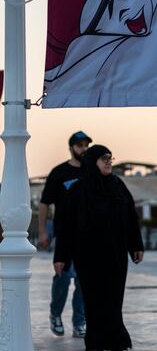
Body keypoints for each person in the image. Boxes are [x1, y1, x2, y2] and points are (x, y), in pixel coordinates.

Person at [53, 145, 144, 351]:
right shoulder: (78, 190)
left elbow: (131, 217)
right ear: (92, 161)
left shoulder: (117, 186)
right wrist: (61, 257)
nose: (108, 162)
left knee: (114, 296)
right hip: (88, 255)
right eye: (104, 159)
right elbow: (67, 227)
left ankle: (115, 341)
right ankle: (96, 342)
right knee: (94, 297)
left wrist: (136, 245)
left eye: (110, 158)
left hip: (116, 254)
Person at [38, 130, 92, 338]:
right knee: (63, 276)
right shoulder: (59, 172)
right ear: (71, 148)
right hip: (65, 236)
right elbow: (44, 203)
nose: (84, 149)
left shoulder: (91, 171)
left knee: (83, 280)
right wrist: (43, 231)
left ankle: (80, 322)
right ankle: (55, 314)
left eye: (86, 145)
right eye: (80, 145)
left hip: (87, 236)